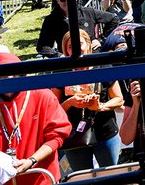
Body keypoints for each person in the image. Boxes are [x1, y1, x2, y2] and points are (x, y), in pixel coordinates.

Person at [0, 53, 73, 185]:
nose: (8, 79)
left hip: (40, 179)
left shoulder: (42, 95)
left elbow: (57, 135)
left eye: (13, 74)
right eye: (2, 76)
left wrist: (32, 160)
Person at [52, 30, 124, 172]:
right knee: (82, 177)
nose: (76, 50)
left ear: (89, 44)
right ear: (65, 49)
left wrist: (100, 106)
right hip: (73, 136)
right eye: (71, 47)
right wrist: (70, 103)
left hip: (105, 132)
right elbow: (52, 109)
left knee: (111, 175)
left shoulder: (102, 67)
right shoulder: (61, 73)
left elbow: (119, 99)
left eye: (79, 44)